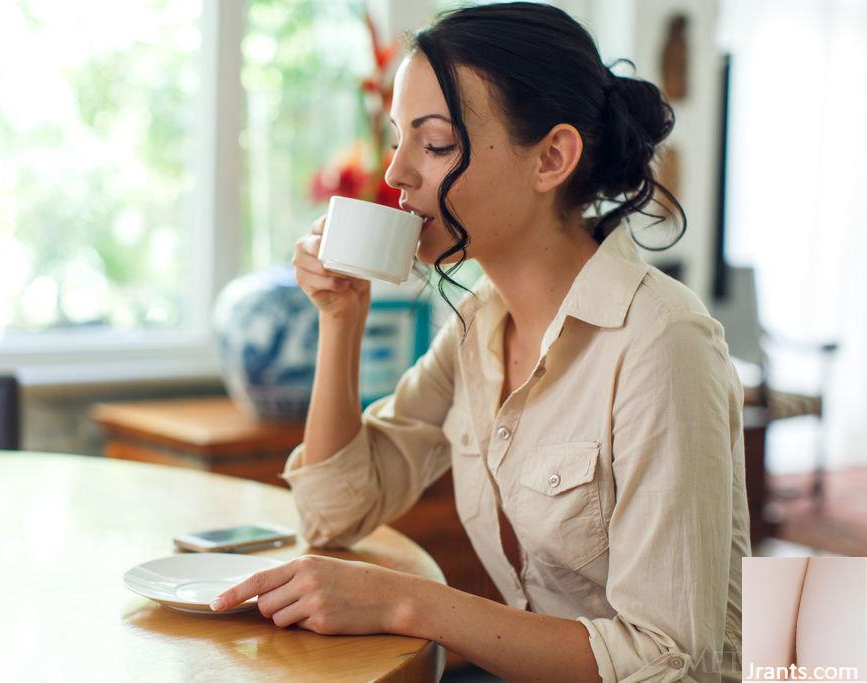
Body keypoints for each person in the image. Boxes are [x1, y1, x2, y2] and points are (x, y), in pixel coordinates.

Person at [212, 3, 749, 681]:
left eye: (434, 145)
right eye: (398, 138)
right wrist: (339, 317)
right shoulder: (479, 325)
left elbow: (668, 660)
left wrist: (411, 603)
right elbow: (334, 511)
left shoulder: (662, 343)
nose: (396, 172)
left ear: (552, 157)